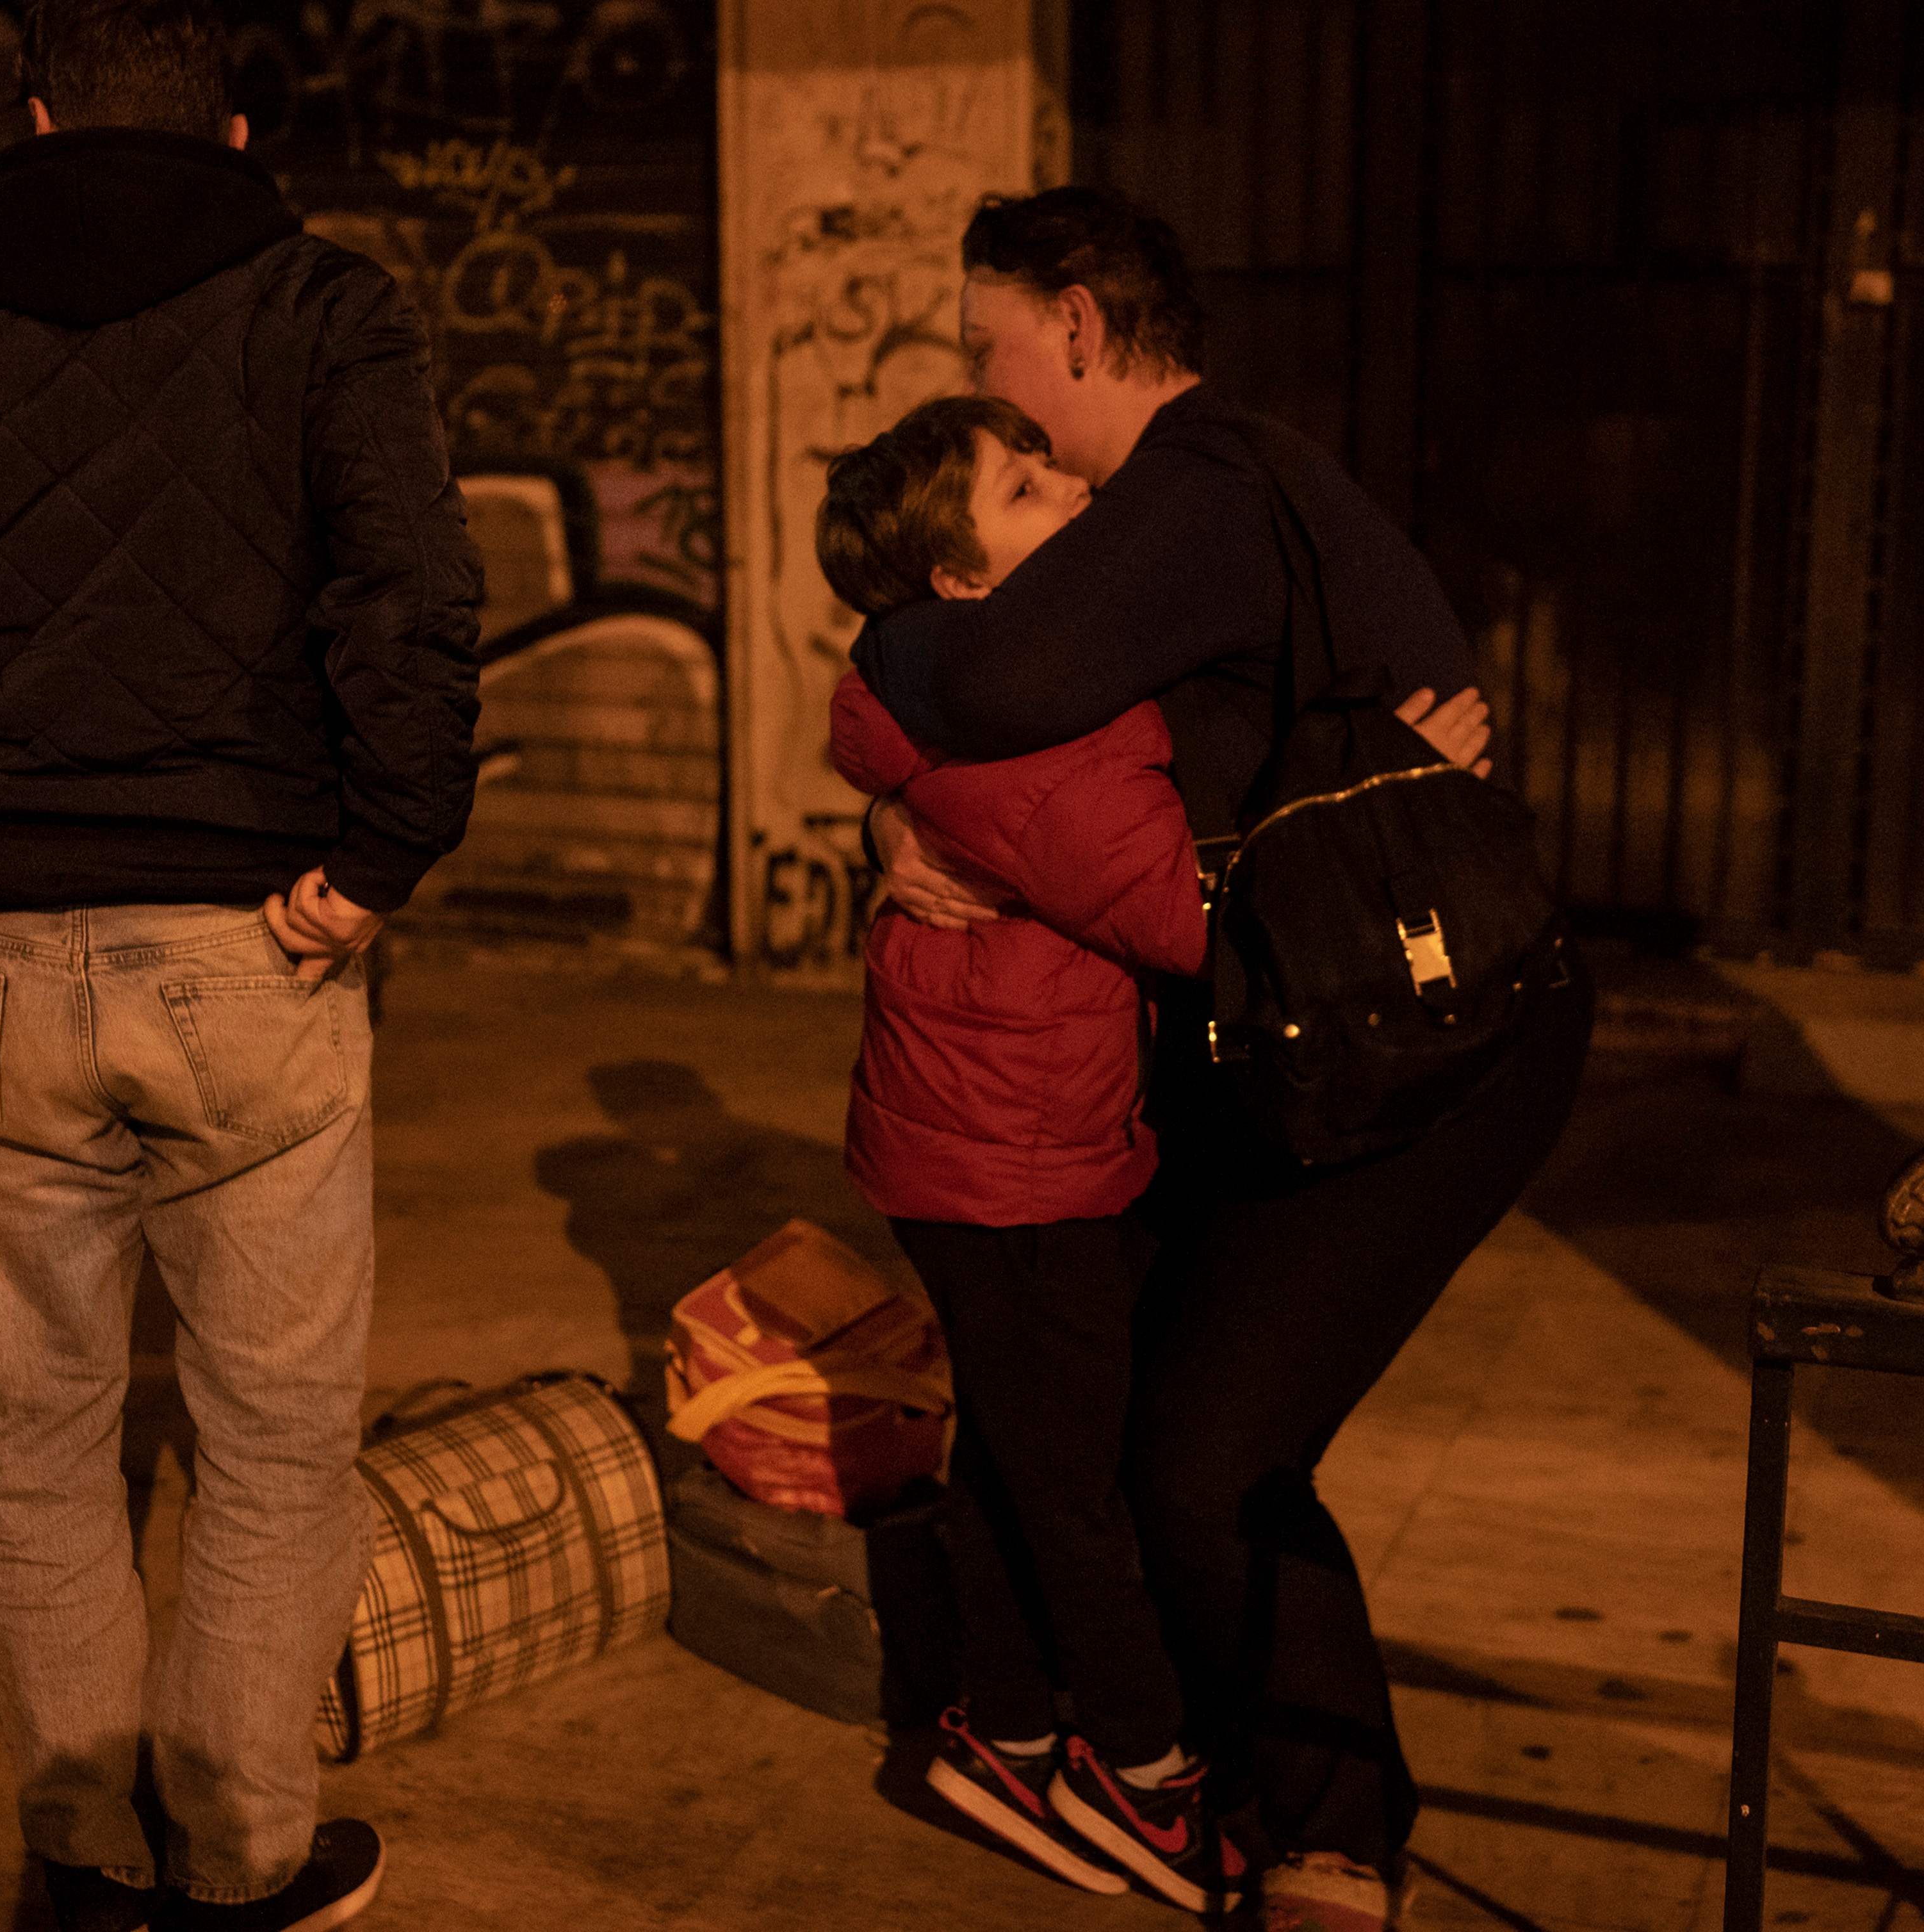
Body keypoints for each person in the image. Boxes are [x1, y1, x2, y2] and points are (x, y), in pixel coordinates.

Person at [0, 2, 483, 1928]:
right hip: (246, 958)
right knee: (276, 1443)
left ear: (35, 118)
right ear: (230, 127)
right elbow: (415, 596)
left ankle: (83, 1868)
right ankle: (239, 1866)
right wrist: (385, 854)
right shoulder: (325, 312)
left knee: (35, 1444)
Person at [852, 186, 1594, 1932]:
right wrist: (916, 811)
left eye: (994, 345)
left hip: (1420, 1048)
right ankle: (1105, 1734)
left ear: (1082, 329)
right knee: (1127, 1414)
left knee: (1206, 1451)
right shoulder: (1181, 509)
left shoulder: (1198, 484)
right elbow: (1043, 730)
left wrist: (891, 697)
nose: (992, 381)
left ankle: (1327, 1831)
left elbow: (982, 669)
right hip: (1312, 1033)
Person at [818, 392, 1228, 1911]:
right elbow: (1186, 917)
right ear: (962, 581)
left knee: (1014, 1437)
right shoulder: (1029, 732)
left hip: (993, 1133)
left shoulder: (969, 691)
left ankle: (1001, 1723)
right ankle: (1143, 1767)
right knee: (1075, 1475)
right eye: (1020, 483)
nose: (1065, 484)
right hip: (1007, 1157)